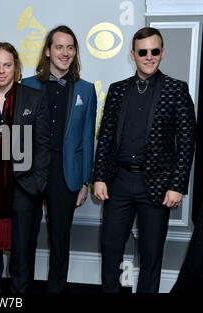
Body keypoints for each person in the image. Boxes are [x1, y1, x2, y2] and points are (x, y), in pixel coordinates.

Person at [93, 27, 197, 293]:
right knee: (110, 247)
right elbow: (105, 138)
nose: (149, 57)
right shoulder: (117, 91)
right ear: (133, 55)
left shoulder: (176, 89)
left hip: (158, 185)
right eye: (143, 52)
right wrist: (99, 177)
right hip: (118, 182)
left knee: (151, 253)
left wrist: (178, 185)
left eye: (154, 51)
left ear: (162, 53)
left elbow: (186, 142)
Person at [22, 25, 97, 293]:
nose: (65, 53)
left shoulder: (86, 90)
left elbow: (88, 138)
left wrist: (84, 182)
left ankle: (56, 288)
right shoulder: (26, 85)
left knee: (60, 237)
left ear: (75, 52)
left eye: (70, 47)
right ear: (47, 51)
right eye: (59, 47)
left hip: (66, 172)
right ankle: (23, 290)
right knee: (24, 236)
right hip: (30, 170)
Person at [0, 42, 50, 293]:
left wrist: (36, 186)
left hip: (23, 189)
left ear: (15, 66)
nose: (1, 71)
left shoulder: (34, 97)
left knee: (21, 255)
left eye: (7, 65)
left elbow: (42, 146)